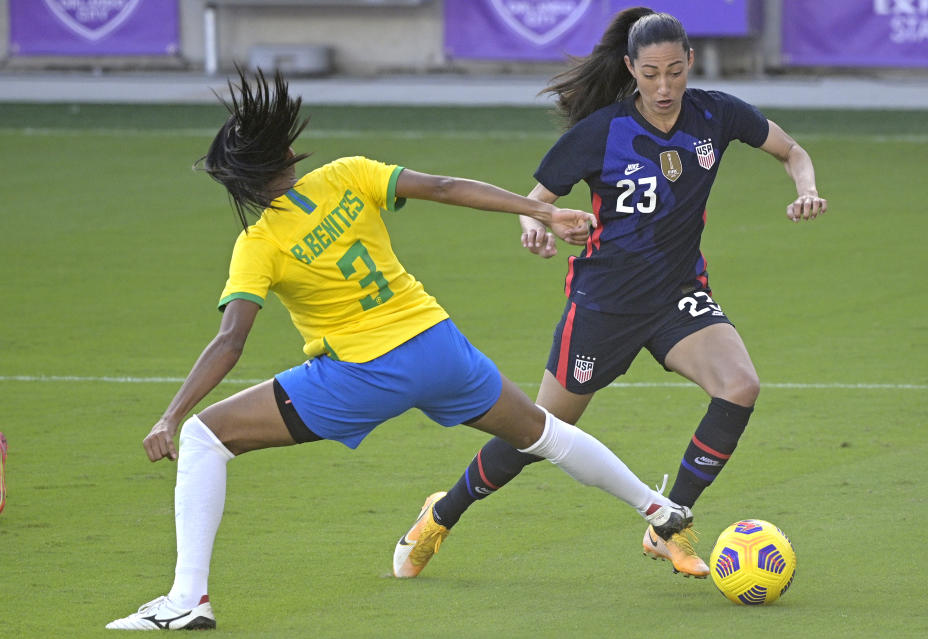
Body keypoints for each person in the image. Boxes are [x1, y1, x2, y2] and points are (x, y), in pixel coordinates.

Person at [105, 68, 694, 631]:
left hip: (362, 375)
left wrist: (171, 414)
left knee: (205, 436)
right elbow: (443, 187)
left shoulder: (257, 244)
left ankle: (188, 599)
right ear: (286, 153)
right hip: (440, 348)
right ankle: (657, 510)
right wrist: (539, 207)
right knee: (542, 432)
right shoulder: (346, 174)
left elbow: (231, 340)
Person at [392, 7, 826, 580]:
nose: (665, 86)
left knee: (740, 386)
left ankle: (669, 525)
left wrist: (808, 189)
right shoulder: (602, 132)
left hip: (677, 295)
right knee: (535, 434)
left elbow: (792, 151)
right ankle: (440, 514)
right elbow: (537, 200)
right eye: (651, 73)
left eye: (675, 70)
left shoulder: (718, 115)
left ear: (691, 62)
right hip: (603, 307)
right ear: (630, 68)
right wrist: (535, 227)